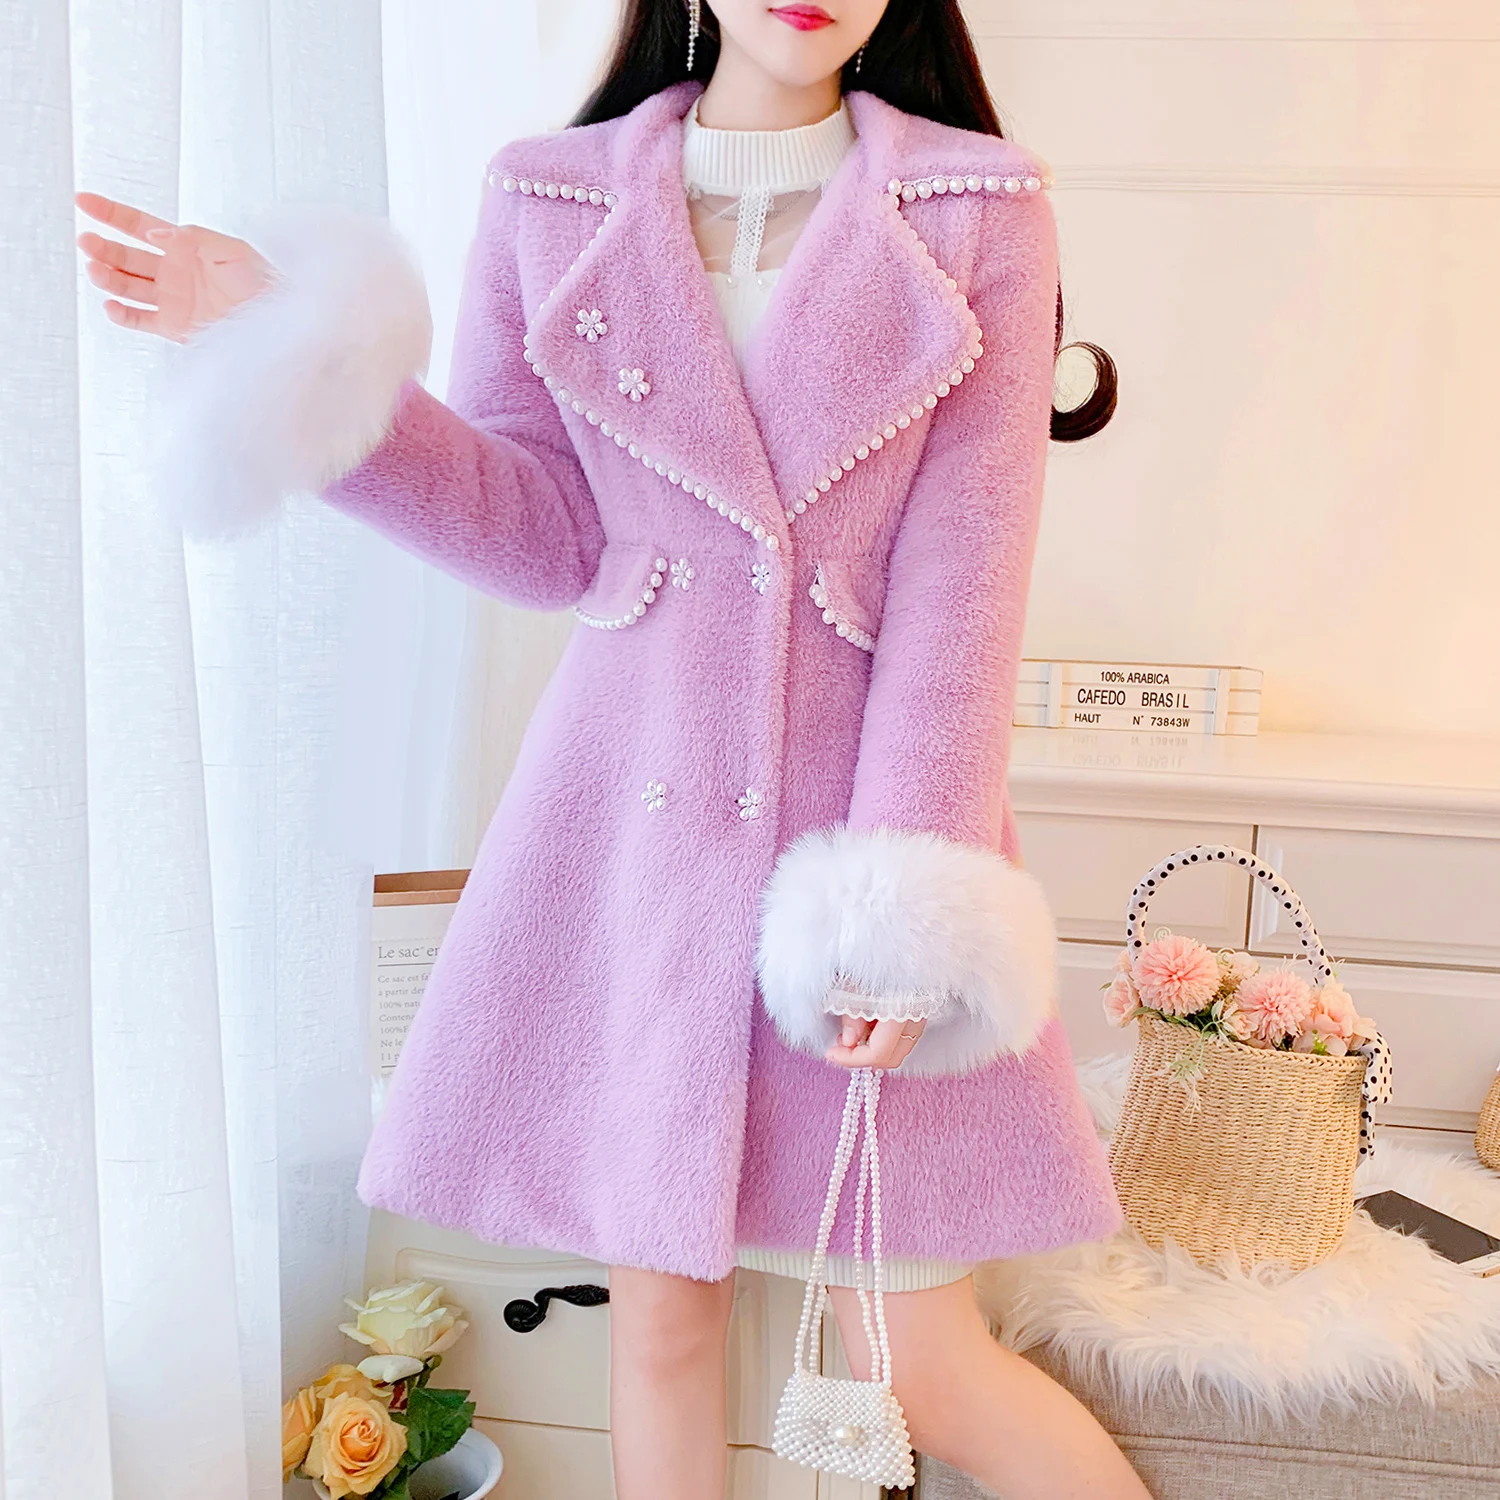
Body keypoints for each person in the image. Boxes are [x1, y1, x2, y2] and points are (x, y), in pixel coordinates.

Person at [77, 1, 1147, 1495]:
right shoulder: (552, 196)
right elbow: (542, 532)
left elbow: (965, 580)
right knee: (658, 1325)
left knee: (923, 1358)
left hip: (861, 836)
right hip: (642, 838)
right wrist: (297, 349)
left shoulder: (976, 208)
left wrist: (903, 917)